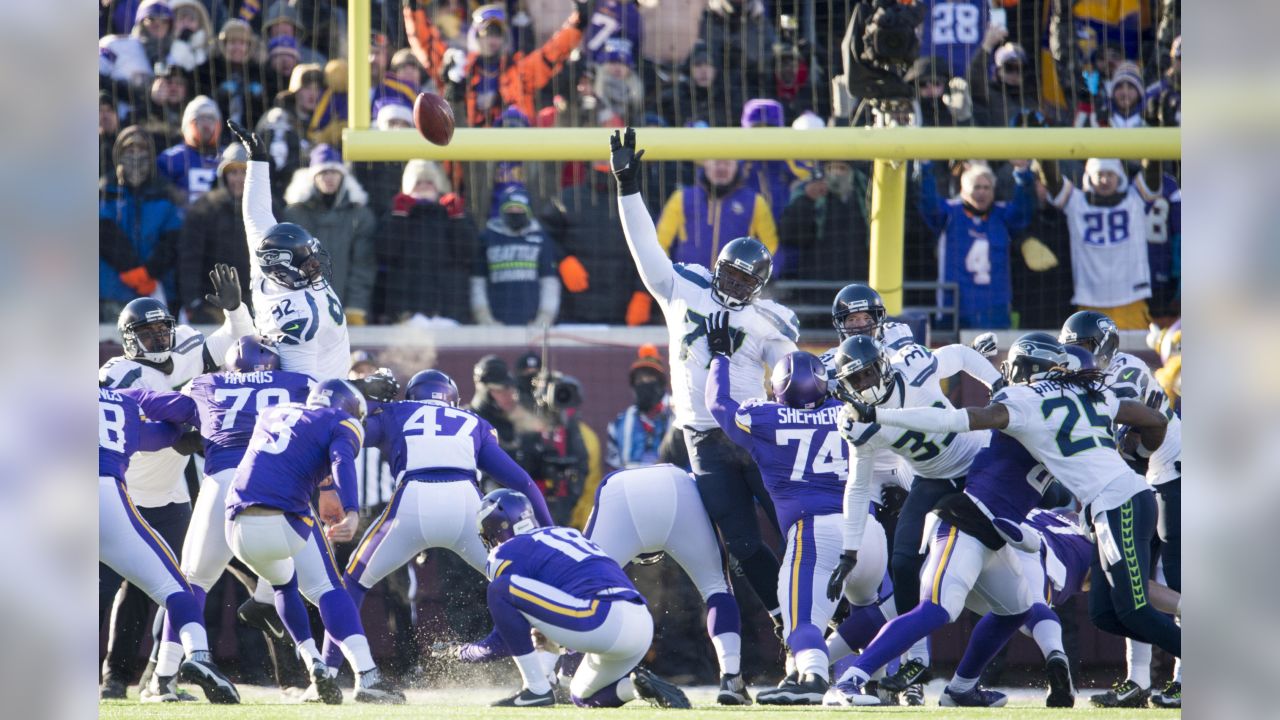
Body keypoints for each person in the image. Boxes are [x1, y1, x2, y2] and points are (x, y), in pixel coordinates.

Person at [832, 332, 1179, 698]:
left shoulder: (1024, 400)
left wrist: (879, 415)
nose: (1008, 376)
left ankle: (944, 687)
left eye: (1013, 370)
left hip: (989, 520)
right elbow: (1154, 419)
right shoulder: (1090, 401)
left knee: (1019, 608)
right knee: (966, 609)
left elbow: (956, 420)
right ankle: (864, 681)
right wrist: (1138, 453)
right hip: (977, 518)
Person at [612, 127, 800, 637]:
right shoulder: (684, 287)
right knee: (740, 543)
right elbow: (645, 249)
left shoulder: (769, 320)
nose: (735, 285)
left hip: (754, 432)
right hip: (702, 436)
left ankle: (824, 618)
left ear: (760, 286)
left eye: (746, 280)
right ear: (717, 269)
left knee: (798, 530)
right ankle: (787, 620)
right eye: (731, 275)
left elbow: (796, 378)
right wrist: (627, 189)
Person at [322, 370, 553, 670]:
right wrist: (548, 530)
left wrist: (362, 391)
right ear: (452, 398)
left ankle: (327, 669)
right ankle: (544, 673)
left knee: (351, 582)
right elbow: (523, 482)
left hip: (412, 501)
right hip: (466, 505)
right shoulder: (474, 423)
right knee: (523, 585)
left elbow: (337, 415)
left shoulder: (396, 412)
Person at [822, 331, 1000, 703]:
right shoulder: (857, 421)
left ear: (884, 365)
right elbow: (857, 486)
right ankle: (915, 659)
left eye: (869, 373)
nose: (866, 383)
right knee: (903, 563)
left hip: (977, 464)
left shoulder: (915, 367)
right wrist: (849, 553)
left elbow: (961, 356)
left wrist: (999, 385)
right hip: (932, 478)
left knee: (994, 556)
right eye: (856, 379)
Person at [707, 342, 889, 704]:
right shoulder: (850, 411)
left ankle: (812, 680)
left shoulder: (764, 418)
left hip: (815, 531)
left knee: (800, 624)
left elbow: (717, 403)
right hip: (867, 531)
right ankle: (848, 676)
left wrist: (720, 358)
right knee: (872, 612)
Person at [98, 279, 254, 699]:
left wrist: (236, 310)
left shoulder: (186, 345)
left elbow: (242, 346)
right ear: (129, 340)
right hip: (126, 491)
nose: (158, 339)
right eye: (147, 334)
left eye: (161, 330)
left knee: (174, 584)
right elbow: (120, 427)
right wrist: (176, 434)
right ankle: (113, 677)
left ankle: (157, 678)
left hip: (172, 493)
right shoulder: (117, 373)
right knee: (108, 588)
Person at [136, 336, 314, 700]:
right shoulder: (297, 384)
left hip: (221, 482)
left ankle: (163, 678)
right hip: (275, 488)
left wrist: (122, 396)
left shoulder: (205, 384)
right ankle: (322, 666)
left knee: (191, 582)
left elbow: (164, 407)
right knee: (297, 581)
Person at [226, 378, 405, 704]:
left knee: (283, 582)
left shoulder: (272, 411)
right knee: (328, 589)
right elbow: (341, 460)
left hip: (236, 527)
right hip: (284, 521)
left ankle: (312, 662)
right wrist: (351, 511)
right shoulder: (341, 420)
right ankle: (368, 675)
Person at [452, 489, 691, 708]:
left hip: (601, 616)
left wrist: (461, 652)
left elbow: (502, 640)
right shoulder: (567, 534)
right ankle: (637, 688)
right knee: (582, 697)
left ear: (494, 528)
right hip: (639, 623)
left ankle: (535, 690)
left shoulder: (506, 551)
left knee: (500, 589)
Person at [1060, 311, 1183, 709]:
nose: (1080, 358)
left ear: (1106, 347)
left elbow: (1115, 439)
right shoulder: (1084, 381)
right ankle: (1138, 680)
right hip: (1135, 480)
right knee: (1129, 590)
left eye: (1086, 349)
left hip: (1173, 471)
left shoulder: (1124, 370)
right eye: (1073, 351)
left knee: (1177, 577)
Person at [98, 387, 239, 704]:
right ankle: (198, 654)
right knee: (176, 589)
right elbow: (163, 432)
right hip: (107, 500)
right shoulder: (120, 401)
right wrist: (180, 432)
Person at [582, 464, 750, 705]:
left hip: (620, 490)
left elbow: (573, 576)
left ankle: (556, 672)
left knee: (578, 587)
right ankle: (732, 678)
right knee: (717, 588)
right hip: (679, 485)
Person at [227, 119, 353, 380]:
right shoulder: (292, 308)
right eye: (307, 264)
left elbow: (256, 213)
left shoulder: (287, 295)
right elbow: (255, 213)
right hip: (316, 390)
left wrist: (258, 160)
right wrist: (257, 160)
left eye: (313, 258)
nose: (316, 266)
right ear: (282, 271)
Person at [403, 1, 588, 128]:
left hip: (512, 158)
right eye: (487, 33)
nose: (493, 39)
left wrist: (578, 22)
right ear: (475, 36)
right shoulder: (458, 67)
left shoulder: (520, 70)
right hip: (467, 160)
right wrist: (412, 8)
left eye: (498, 33)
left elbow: (553, 52)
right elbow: (425, 43)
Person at [1037, 156, 1162, 329]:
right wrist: (1043, 150)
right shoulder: (1076, 203)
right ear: (1089, 177)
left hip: (1131, 299)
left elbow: (1153, 173)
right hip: (1090, 299)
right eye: (1099, 174)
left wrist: (1156, 136)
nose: (1105, 180)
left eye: (1110, 174)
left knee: (1134, 353)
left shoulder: (1134, 199)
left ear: (1120, 176)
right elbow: (1051, 179)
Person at [918, 158, 1037, 328]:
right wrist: (925, 167)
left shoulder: (1002, 215)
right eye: (976, 187)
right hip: (955, 306)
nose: (982, 193)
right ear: (963, 190)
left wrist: (1022, 173)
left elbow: (1024, 209)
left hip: (995, 307)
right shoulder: (950, 213)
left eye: (986, 187)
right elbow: (929, 203)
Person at [281, 144, 377, 325]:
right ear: (313, 177)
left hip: (343, 307)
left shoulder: (360, 215)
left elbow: (362, 267)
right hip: (302, 307)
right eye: (323, 172)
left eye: (334, 172)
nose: (329, 178)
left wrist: (356, 307)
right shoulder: (294, 214)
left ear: (343, 176)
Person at [99, 127, 183, 320]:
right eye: (130, 150)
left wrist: (150, 272)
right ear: (119, 154)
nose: (136, 157)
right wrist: (130, 268)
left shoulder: (165, 192)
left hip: (157, 290)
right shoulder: (105, 190)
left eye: (142, 150)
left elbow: (173, 239)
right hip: (113, 291)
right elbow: (104, 232)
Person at [376, 160, 473, 323]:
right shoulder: (395, 213)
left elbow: (468, 254)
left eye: (429, 181)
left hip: (448, 310)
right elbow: (384, 253)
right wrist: (398, 218)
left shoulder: (452, 213)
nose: (424, 186)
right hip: (406, 310)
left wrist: (458, 219)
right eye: (418, 182)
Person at [655, 158, 779, 270]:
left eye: (727, 162)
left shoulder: (755, 201)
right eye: (716, 162)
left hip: (735, 286)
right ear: (705, 164)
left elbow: (771, 246)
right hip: (688, 282)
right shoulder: (682, 198)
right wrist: (667, 273)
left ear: (737, 166)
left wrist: (762, 276)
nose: (721, 168)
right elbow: (660, 242)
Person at [779, 162, 870, 310]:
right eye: (831, 169)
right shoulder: (806, 194)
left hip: (858, 290)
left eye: (842, 168)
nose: (837, 174)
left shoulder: (867, 194)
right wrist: (807, 200)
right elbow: (790, 236)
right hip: (818, 293)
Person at [179, 144, 254, 323]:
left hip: (255, 304)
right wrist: (193, 301)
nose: (239, 179)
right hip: (214, 305)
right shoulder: (204, 208)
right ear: (223, 176)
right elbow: (190, 259)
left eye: (244, 172)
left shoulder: (268, 208)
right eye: (233, 173)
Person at [470, 186, 560, 327]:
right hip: (495, 324)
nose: (515, 212)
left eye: (520, 209)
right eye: (510, 208)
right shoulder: (487, 237)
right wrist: (483, 316)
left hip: (532, 324)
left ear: (528, 211)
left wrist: (545, 317)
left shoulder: (541, 238)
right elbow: (478, 282)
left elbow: (549, 282)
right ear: (502, 211)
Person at [606, 349, 673, 470]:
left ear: (662, 383)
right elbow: (613, 469)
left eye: (650, 378)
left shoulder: (680, 417)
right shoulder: (619, 424)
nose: (644, 383)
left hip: (672, 485)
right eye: (639, 379)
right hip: (632, 485)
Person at [157, 95, 223, 205]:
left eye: (211, 118)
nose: (206, 124)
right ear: (187, 124)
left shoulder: (227, 158)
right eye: (200, 118)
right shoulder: (169, 159)